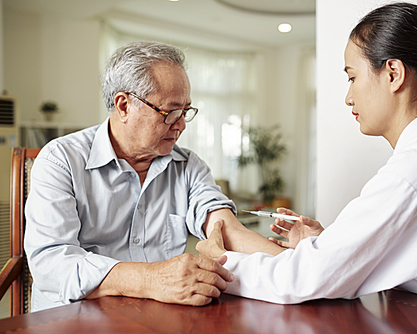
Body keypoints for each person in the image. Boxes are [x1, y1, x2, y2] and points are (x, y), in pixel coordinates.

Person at [197, 2, 417, 313]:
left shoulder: (416, 172)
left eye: (352, 78)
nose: (348, 97)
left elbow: (301, 280)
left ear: (393, 74)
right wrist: (330, 244)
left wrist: (219, 262)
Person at [24, 41, 282, 312]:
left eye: (185, 111)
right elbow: (51, 264)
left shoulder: (188, 166)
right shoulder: (60, 160)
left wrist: (304, 263)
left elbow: (226, 229)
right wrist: (151, 279)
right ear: (124, 106)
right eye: (170, 112)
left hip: (156, 316)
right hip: (72, 319)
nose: (181, 124)